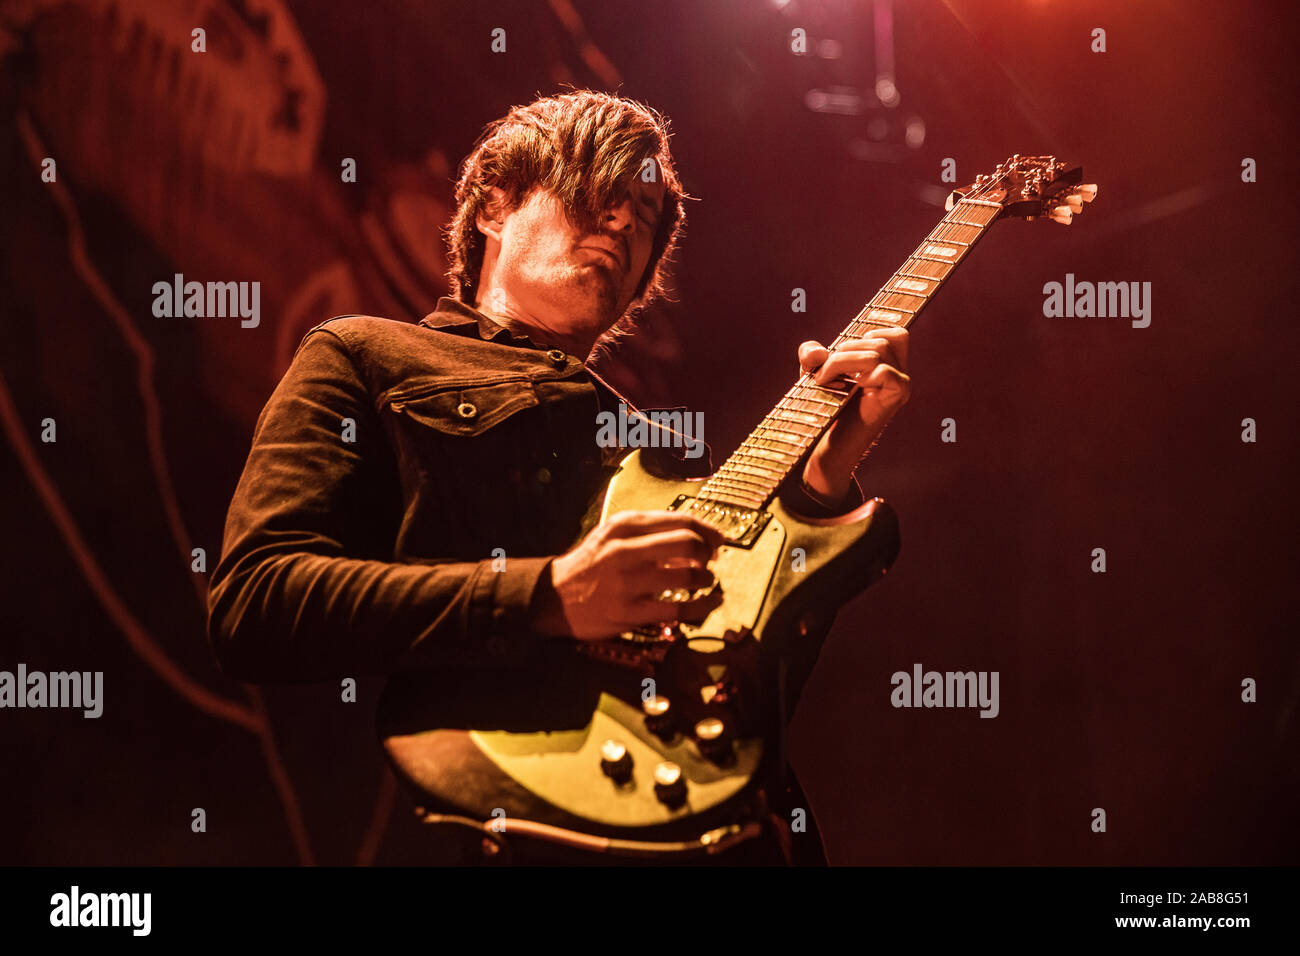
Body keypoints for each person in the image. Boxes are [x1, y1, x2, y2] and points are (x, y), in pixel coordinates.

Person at [206, 89, 910, 865]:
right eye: (599, 191)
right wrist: (545, 596)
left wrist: (823, 477)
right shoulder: (363, 354)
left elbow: (747, 690)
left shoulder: (669, 455)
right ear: (493, 208)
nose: (623, 223)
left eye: (642, 215)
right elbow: (256, 600)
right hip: (470, 824)